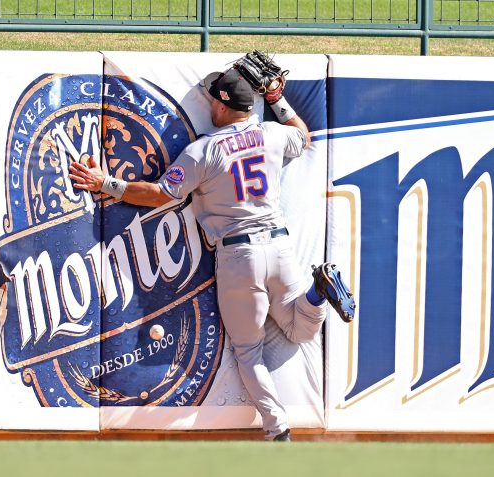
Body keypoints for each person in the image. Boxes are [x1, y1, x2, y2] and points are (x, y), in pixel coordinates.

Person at [69, 67, 353, 442]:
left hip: (239, 256)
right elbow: (302, 134)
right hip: (280, 247)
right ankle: (318, 291)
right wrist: (276, 100)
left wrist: (106, 183)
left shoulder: (204, 150)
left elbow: (158, 195)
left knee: (249, 352)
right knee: (301, 329)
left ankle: (277, 429)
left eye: (211, 96)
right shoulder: (270, 133)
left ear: (221, 104)